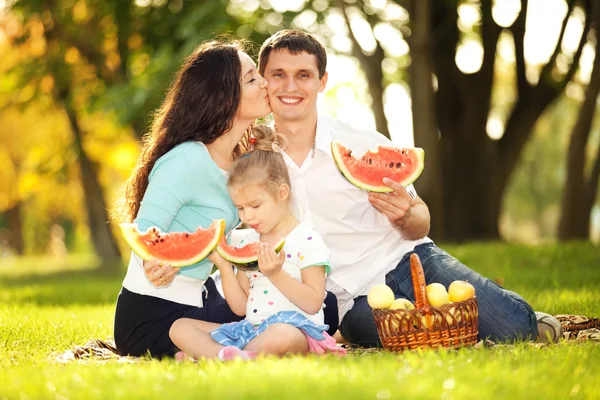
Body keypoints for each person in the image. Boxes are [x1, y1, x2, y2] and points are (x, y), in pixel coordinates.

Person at [254, 29, 558, 347]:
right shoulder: (253, 161)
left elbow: (420, 218)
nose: (290, 86)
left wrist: (405, 217)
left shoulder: (360, 142)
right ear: (264, 81)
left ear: (322, 81)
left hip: (409, 259)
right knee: (411, 338)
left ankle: (522, 317)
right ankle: (461, 331)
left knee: (515, 330)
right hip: (352, 302)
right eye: (278, 74)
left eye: (303, 75)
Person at [113, 39, 338, 358]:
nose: (264, 82)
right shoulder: (186, 160)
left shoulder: (240, 165)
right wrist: (153, 263)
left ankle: (221, 353)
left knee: (324, 304)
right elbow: (146, 231)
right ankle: (222, 353)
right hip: (152, 315)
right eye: (251, 79)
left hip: (198, 301)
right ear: (223, 96)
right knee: (303, 320)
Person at [169, 127, 345, 361]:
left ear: (282, 193)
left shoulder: (306, 239)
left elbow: (313, 303)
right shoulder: (247, 241)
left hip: (297, 329)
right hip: (251, 329)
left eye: (255, 206)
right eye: (240, 208)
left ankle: (214, 355)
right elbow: (240, 308)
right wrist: (223, 266)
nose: (247, 217)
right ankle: (231, 357)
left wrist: (275, 274)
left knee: (281, 336)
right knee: (179, 327)